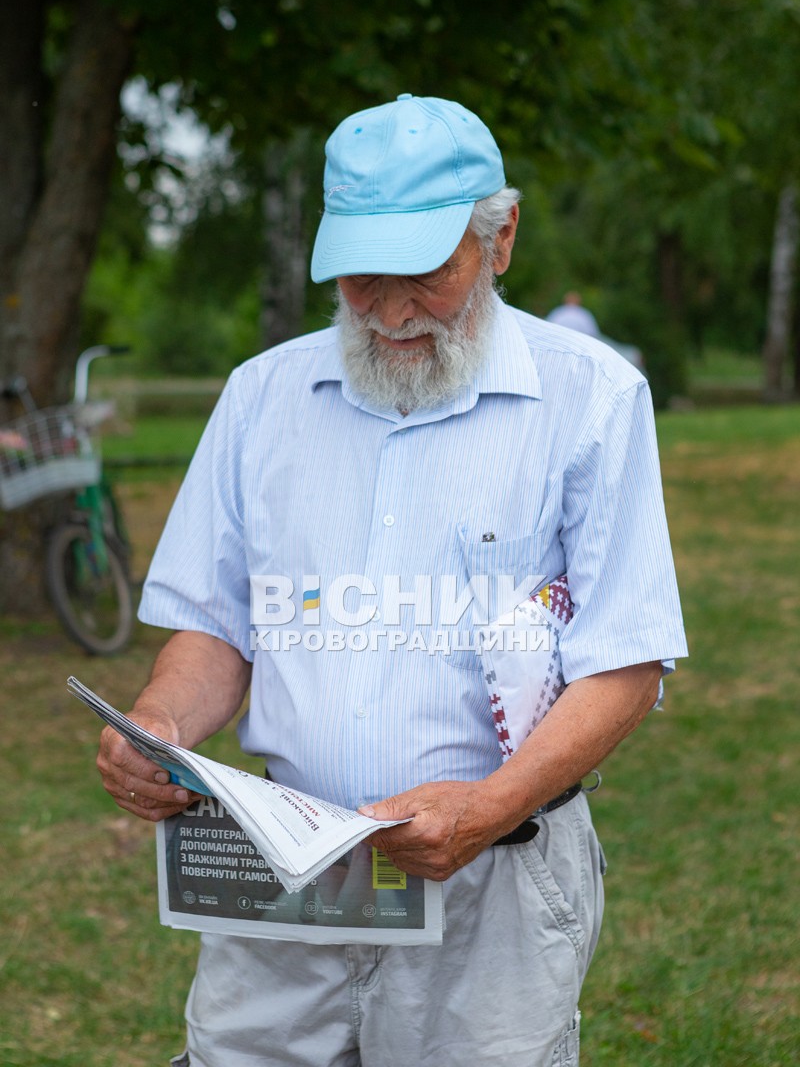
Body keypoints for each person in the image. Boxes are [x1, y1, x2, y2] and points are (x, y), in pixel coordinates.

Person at [97, 93, 687, 1067]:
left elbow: (623, 664)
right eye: (360, 277)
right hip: (285, 872)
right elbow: (216, 627)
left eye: (425, 272)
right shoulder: (261, 398)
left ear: (497, 242)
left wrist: (487, 806)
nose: (390, 307)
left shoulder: (589, 397)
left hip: (492, 879)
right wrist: (159, 727)